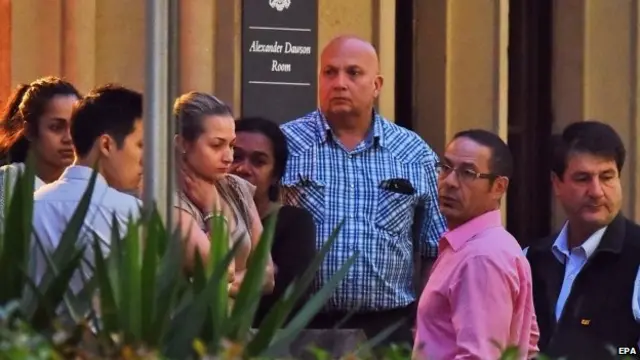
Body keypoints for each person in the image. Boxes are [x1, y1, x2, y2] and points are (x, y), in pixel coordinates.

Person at [280, 35, 446, 344]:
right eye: (330, 72)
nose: (340, 83)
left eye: (353, 73)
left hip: (387, 329)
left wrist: (423, 324)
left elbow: (436, 249)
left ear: (377, 85)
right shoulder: (286, 145)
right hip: (300, 329)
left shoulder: (413, 153)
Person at [413, 130, 539, 360]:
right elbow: (528, 343)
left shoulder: (481, 257)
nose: (449, 182)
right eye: (446, 168)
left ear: (498, 187)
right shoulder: (481, 245)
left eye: (468, 173)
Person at [525, 121, 640, 360]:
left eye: (607, 177)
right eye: (582, 178)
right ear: (557, 184)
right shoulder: (529, 259)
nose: (597, 191)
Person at [31, 84, 144, 293]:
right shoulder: (130, 213)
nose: (145, 159)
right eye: (141, 145)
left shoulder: (30, 207)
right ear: (106, 145)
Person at [172, 92, 274, 296]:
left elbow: (267, 275)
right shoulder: (167, 197)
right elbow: (222, 267)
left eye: (231, 145)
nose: (228, 157)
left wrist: (223, 287)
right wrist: (212, 208)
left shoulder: (235, 187)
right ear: (183, 143)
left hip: (237, 325)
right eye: (216, 145)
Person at [231, 116, 317, 326]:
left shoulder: (294, 223)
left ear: (276, 175)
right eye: (236, 157)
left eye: (259, 161)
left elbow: (287, 295)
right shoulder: (200, 216)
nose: (243, 169)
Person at [0, 77, 80, 222]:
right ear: (29, 130)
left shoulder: (85, 187)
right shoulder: (7, 183)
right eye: (56, 127)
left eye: (75, 126)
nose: (69, 138)